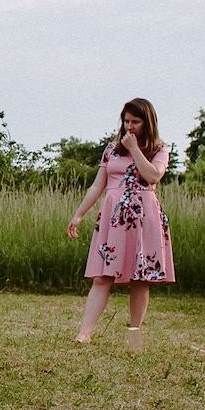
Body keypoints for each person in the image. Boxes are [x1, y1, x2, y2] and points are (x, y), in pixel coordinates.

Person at [66, 97, 174, 342]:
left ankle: (134, 334)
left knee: (141, 277)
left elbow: (153, 176)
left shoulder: (160, 148)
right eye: (126, 121)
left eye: (135, 122)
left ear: (148, 123)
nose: (129, 126)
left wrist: (135, 149)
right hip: (114, 217)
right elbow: (97, 185)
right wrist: (79, 214)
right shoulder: (112, 149)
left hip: (144, 215)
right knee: (102, 276)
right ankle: (84, 333)